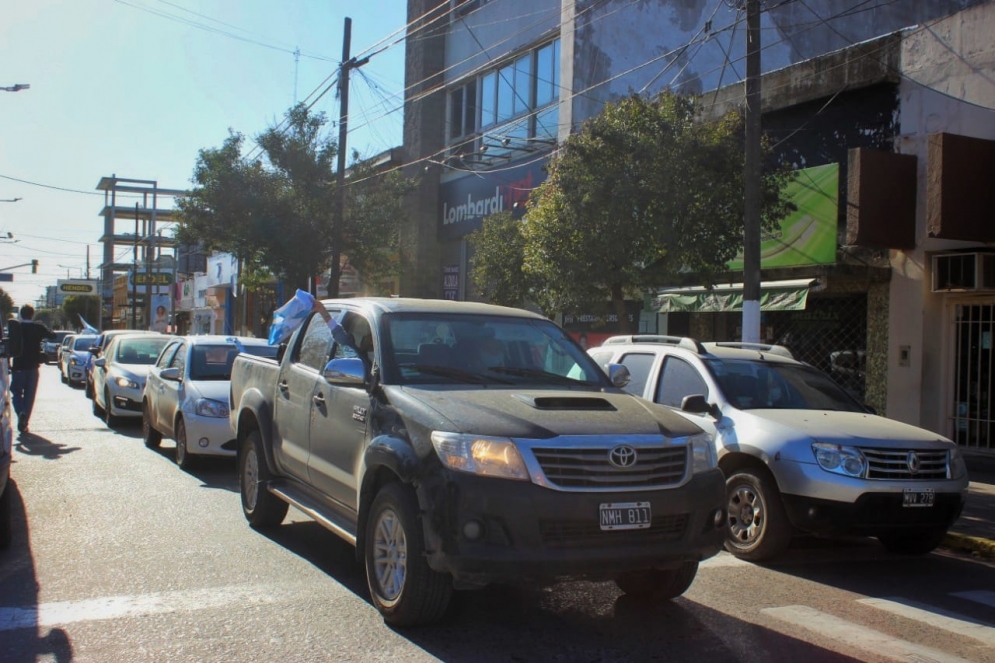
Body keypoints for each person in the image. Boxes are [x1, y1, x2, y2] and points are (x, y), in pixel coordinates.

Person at [10, 304, 56, 433]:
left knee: (16, 392)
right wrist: (44, 327)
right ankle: (24, 421)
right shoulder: (38, 327)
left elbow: (9, 346)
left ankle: (20, 411)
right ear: (32, 314)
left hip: (18, 367)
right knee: (30, 395)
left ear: (21, 314)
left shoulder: (16, 327)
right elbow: (52, 336)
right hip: (33, 367)